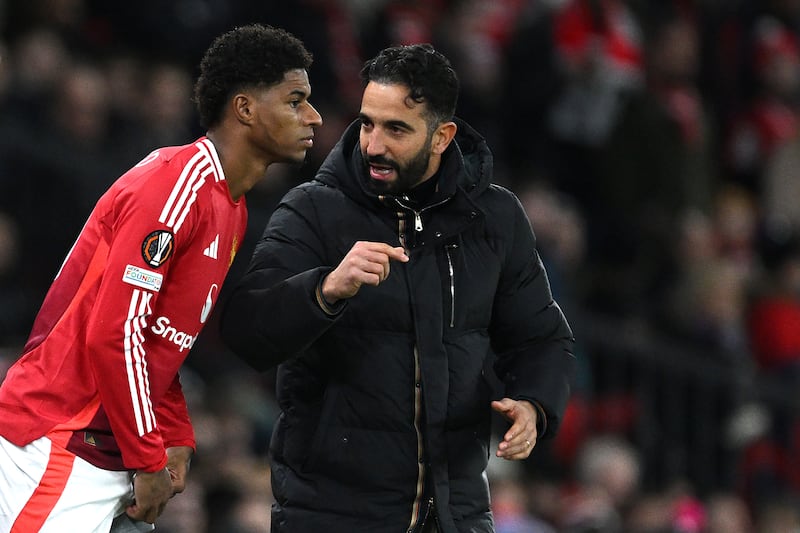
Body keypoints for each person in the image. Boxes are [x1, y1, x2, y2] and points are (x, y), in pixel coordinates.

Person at [220, 43, 575, 532]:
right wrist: (325, 290)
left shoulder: (494, 219)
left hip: (456, 515)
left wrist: (534, 403)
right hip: (332, 515)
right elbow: (246, 331)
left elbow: (541, 338)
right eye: (367, 123)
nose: (374, 145)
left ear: (442, 136)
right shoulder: (313, 210)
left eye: (396, 129)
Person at [0, 23, 322, 532]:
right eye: (296, 99)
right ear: (245, 109)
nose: (313, 116)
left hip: (109, 451)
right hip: (60, 439)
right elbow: (116, 334)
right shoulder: (177, 184)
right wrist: (149, 456)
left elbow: (160, 343)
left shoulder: (230, 208)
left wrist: (176, 435)